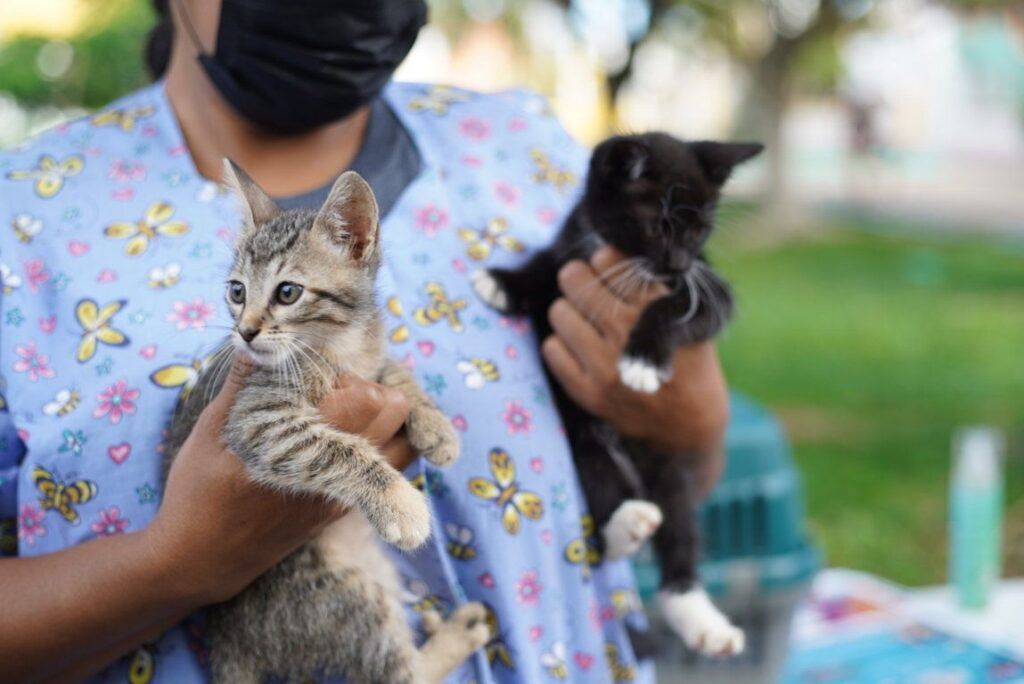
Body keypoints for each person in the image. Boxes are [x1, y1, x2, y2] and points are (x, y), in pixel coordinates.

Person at [0, 1, 730, 681]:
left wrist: (694, 432)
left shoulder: (526, 153)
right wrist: (174, 566)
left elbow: (646, 477)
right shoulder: (24, 214)